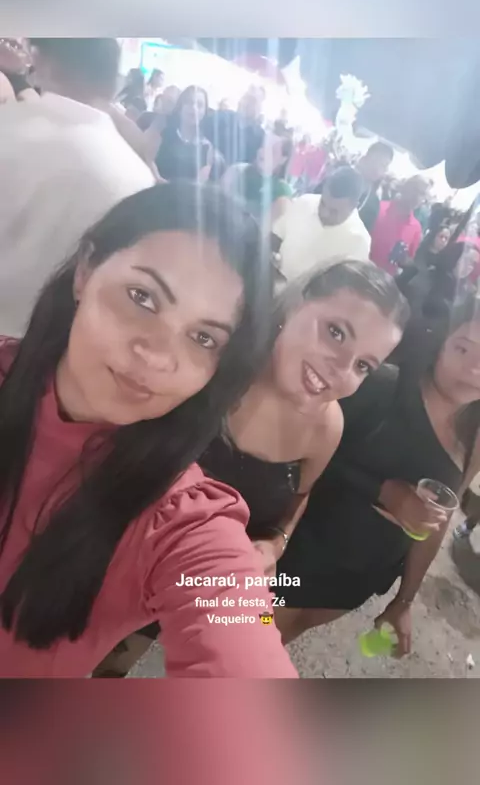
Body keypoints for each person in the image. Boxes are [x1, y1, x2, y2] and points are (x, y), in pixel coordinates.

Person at [0, 182, 296, 679]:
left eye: (203, 338)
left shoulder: (183, 521)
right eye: (143, 297)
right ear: (86, 269)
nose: (157, 355)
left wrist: (261, 607)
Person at [271, 295, 480, 651]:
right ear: (440, 343)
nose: (474, 369)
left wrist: (404, 599)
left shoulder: (474, 435)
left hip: (359, 578)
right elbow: (295, 455)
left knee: (285, 637)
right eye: (463, 349)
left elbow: (437, 522)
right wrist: (383, 491)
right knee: (252, 633)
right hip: (300, 555)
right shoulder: (381, 385)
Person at [200, 261, 409, 577]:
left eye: (363, 366)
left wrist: (277, 542)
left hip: (216, 581)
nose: (341, 369)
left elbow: (299, 496)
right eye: (336, 333)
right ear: (296, 304)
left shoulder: (327, 427)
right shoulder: (215, 360)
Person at [0, 39, 155, 338]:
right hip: (50, 348)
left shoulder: (7, 128)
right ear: (114, 82)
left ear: (39, 59)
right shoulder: (137, 178)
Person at [273, 166, 370, 282]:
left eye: (334, 211)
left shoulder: (359, 242)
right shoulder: (304, 202)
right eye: (323, 203)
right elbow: (276, 236)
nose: (324, 213)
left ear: (353, 206)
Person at [222, 133, 293, 227]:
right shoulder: (236, 171)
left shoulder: (282, 191)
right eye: (263, 146)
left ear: (283, 159)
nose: (264, 152)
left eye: (272, 150)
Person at [370, 174, 430, 275]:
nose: (417, 196)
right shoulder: (379, 207)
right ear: (405, 188)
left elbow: (409, 259)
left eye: (422, 194)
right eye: (415, 189)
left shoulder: (416, 228)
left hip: (383, 280)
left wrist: (404, 260)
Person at [155, 85, 215, 182]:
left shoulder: (207, 147)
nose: (194, 108)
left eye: (200, 105)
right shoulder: (163, 133)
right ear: (180, 107)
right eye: (189, 102)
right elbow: (148, 159)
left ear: (204, 112)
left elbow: (200, 182)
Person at [204, 85, 265, 167]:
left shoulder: (260, 136)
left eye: (253, 102)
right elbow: (201, 133)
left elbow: (255, 164)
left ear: (259, 108)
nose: (247, 104)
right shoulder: (221, 117)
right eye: (246, 98)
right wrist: (211, 149)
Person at [356, 141, 394, 234]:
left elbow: (363, 234)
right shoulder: (339, 177)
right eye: (375, 161)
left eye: (384, 165)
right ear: (364, 159)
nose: (377, 168)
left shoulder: (373, 202)